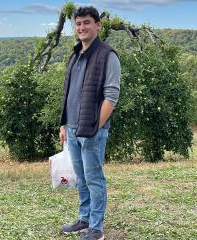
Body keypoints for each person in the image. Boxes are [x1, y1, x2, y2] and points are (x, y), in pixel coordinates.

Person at [59, 6, 120, 240]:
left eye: (86, 22)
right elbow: (68, 92)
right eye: (78, 24)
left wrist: (95, 127)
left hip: (92, 131)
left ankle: (96, 228)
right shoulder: (75, 55)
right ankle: (84, 220)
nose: (82, 27)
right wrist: (64, 124)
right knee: (81, 179)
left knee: (94, 179)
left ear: (97, 25)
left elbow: (111, 96)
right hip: (72, 129)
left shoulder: (107, 55)